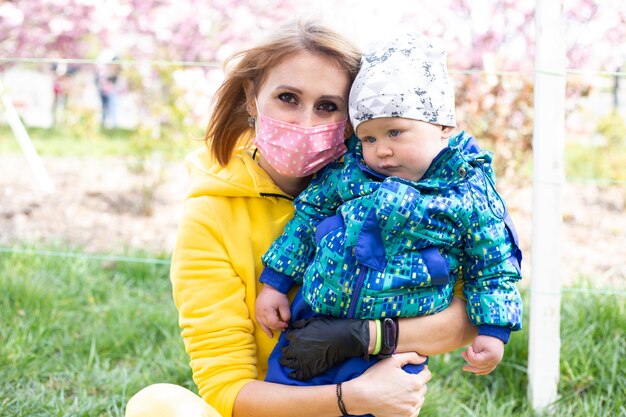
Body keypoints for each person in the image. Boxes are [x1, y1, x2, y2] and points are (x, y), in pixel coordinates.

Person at [125, 21, 483, 417]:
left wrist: (363, 336)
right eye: (288, 98)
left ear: (354, 118)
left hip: (377, 403)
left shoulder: (398, 192)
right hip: (280, 404)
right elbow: (226, 390)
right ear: (251, 97)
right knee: (156, 405)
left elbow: (470, 313)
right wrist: (352, 397)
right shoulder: (210, 216)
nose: (305, 122)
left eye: (328, 106)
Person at [255, 33, 523, 391]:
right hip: (315, 316)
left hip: (399, 342)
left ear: (442, 127)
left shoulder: (466, 193)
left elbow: (492, 265)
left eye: (395, 132)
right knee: (288, 395)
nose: (381, 151)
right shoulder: (349, 173)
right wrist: (275, 282)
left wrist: (494, 330)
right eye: (369, 138)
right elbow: (307, 219)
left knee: (380, 404)